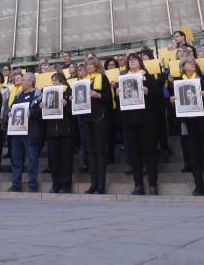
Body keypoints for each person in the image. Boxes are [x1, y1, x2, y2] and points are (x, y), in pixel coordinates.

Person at [170, 58, 204, 196]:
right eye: (189, 63)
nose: (192, 64)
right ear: (183, 67)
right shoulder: (177, 82)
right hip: (188, 123)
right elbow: (174, 101)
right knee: (194, 155)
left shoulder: (203, 79)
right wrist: (172, 101)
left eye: (193, 63)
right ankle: (199, 186)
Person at [118, 53, 159, 195]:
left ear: (140, 62)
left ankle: (153, 184)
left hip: (146, 120)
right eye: (130, 61)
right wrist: (119, 94)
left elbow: (157, 95)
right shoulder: (123, 78)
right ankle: (138, 185)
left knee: (149, 152)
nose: (132, 62)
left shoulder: (148, 77)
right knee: (134, 154)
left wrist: (147, 91)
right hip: (129, 121)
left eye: (134, 60)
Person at [79, 57, 112, 194]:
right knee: (90, 151)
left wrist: (97, 95)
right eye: (87, 65)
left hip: (99, 117)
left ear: (97, 66)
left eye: (91, 64)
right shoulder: (83, 81)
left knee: (100, 151)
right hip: (86, 118)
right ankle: (93, 184)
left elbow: (109, 98)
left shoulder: (102, 78)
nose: (89, 67)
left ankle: (101, 185)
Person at [8, 72, 44, 193]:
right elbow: (12, 107)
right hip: (17, 132)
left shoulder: (38, 95)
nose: (21, 82)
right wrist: (9, 113)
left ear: (31, 82)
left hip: (31, 132)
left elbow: (41, 112)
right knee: (16, 159)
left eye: (24, 80)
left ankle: (32, 184)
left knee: (32, 159)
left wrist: (31, 113)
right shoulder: (19, 95)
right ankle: (15, 184)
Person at [42, 72, 76, 193]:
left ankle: (66, 185)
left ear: (62, 81)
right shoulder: (48, 92)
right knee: (53, 160)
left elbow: (74, 111)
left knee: (66, 159)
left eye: (55, 80)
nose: (54, 83)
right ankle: (56, 184)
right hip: (52, 132)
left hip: (66, 131)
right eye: (53, 81)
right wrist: (43, 106)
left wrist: (67, 105)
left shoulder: (69, 92)